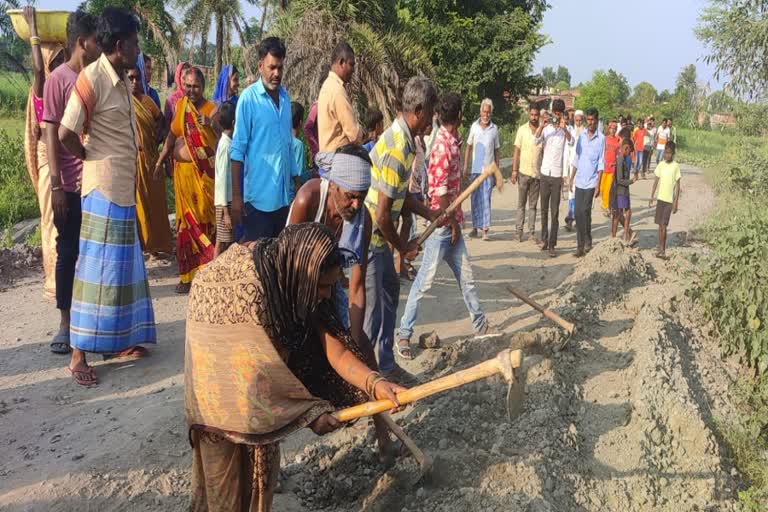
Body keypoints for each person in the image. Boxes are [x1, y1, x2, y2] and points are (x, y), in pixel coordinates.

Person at [186, 223, 406, 512]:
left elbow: (333, 346)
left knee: (261, 477)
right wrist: (309, 413)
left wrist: (374, 383)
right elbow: (257, 377)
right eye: (323, 287)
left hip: (257, 400)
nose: (327, 294)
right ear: (305, 275)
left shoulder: (294, 276)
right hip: (215, 402)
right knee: (223, 494)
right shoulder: (252, 292)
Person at [59, 7, 157, 385]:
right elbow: (66, 132)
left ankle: (120, 341)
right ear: (119, 45)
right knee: (95, 273)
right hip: (102, 190)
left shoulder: (120, 79)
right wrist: (88, 157)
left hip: (122, 190)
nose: (137, 48)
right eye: (134, 42)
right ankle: (78, 355)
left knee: (120, 271)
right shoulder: (92, 78)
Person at [288, 145, 402, 463]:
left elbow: (356, 287)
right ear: (335, 184)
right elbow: (287, 266)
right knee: (282, 368)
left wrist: (352, 335)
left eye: (362, 197)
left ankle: (384, 441)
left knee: (365, 356)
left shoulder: (362, 219)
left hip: (330, 291)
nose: (355, 205)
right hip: (294, 291)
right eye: (351, 196)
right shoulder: (308, 200)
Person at [398, 92, 496, 352]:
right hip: (441, 226)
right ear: (460, 116)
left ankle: (480, 325)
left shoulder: (452, 140)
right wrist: (451, 223)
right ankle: (404, 334)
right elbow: (440, 193)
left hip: (452, 223)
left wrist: (455, 222)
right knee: (424, 282)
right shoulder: (442, 146)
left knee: (467, 278)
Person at [364, 76, 441, 378]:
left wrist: (430, 212)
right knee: (371, 314)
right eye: (430, 112)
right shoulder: (398, 149)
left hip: (379, 237)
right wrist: (404, 247)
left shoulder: (407, 141)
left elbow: (400, 196)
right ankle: (366, 378)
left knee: (391, 291)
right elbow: (383, 215)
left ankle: (385, 365)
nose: (432, 119)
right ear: (418, 110)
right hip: (370, 238)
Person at [43, 9, 99, 355]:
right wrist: (56, 185)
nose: (99, 46)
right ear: (82, 42)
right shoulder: (58, 80)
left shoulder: (96, 77)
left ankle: (94, 323)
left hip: (97, 183)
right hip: (69, 186)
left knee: (96, 255)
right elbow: (51, 133)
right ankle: (65, 323)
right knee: (68, 252)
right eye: (95, 40)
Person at [156, 67, 219, 294]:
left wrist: (210, 123)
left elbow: (224, 137)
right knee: (186, 226)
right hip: (183, 179)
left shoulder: (212, 109)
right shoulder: (181, 106)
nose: (191, 90)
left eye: (196, 86)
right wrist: (160, 161)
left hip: (205, 181)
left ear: (203, 87)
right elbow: (172, 136)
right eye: (188, 86)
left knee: (204, 223)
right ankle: (187, 277)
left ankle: (208, 273)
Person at [231, 37, 298, 240]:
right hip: (258, 202)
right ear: (260, 66)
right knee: (258, 256)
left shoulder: (285, 98)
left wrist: (297, 185)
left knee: (282, 255)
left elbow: (288, 145)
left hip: (284, 200)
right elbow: (237, 151)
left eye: (280, 68)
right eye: (272, 67)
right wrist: (236, 197)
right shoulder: (248, 99)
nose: (276, 73)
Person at [22, 6, 66, 301]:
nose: (62, 65)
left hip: (66, 157)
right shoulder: (43, 86)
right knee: (52, 219)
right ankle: (54, 281)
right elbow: (38, 69)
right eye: (57, 60)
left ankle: (68, 277)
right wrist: (34, 31)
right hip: (48, 158)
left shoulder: (63, 86)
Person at [128, 65, 173, 256]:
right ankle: (143, 245)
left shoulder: (147, 101)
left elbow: (161, 122)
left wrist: (157, 140)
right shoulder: (122, 102)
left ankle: (159, 243)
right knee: (139, 202)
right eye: (130, 78)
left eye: (137, 78)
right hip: (132, 160)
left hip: (151, 158)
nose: (134, 82)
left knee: (156, 201)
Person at [534, 98, 572, 257]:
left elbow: (572, 142)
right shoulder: (547, 128)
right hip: (544, 173)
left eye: (559, 113)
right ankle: (544, 239)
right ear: (552, 112)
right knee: (543, 210)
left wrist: (564, 129)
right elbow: (536, 140)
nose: (556, 116)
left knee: (554, 212)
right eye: (555, 113)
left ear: (562, 114)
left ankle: (552, 244)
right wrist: (542, 126)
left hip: (557, 176)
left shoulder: (565, 129)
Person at [569, 107, 605, 258]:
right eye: (588, 120)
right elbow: (576, 158)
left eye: (593, 120)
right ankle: (583, 242)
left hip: (591, 182)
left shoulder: (601, 139)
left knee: (585, 210)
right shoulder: (581, 136)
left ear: (597, 121)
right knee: (578, 213)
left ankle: (584, 244)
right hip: (579, 180)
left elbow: (601, 162)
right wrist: (571, 178)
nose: (590, 123)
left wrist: (598, 184)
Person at [463, 98, 501, 241]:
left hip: (488, 170)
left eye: (488, 112)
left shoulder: (494, 129)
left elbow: (497, 150)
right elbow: (468, 147)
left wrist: (497, 172)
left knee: (486, 199)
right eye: (484, 112)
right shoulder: (474, 127)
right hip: (476, 168)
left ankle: (485, 230)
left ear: (491, 113)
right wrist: (465, 166)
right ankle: (475, 228)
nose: (486, 115)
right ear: (480, 112)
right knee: (475, 199)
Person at [318, 41, 364, 152]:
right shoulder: (337, 90)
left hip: (328, 155)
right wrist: (365, 134)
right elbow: (354, 134)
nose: (353, 70)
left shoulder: (328, 85)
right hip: (338, 157)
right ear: (342, 62)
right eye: (351, 64)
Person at [511, 105, 542, 242]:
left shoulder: (543, 131)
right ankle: (518, 232)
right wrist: (514, 170)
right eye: (532, 115)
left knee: (533, 206)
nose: (534, 117)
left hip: (536, 174)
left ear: (539, 116)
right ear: (529, 114)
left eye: (536, 115)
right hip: (523, 172)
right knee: (521, 204)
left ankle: (531, 233)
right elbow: (516, 151)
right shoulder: (522, 130)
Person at [649, 141, 681, 259]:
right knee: (659, 225)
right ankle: (660, 247)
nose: (667, 155)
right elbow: (656, 181)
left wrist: (676, 202)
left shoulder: (675, 166)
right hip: (660, 199)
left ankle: (662, 249)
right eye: (666, 153)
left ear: (673, 153)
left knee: (663, 224)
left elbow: (678, 186)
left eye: (669, 153)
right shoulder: (661, 165)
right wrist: (651, 196)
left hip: (668, 201)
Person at [214, 102, 236, 258]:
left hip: (227, 201)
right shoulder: (225, 146)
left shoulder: (228, 144)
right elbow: (221, 179)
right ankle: (214, 269)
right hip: (224, 203)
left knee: (224, 240)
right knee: (222, 242)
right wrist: (226, 212)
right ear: (234, 123)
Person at [610, 138, 636, 243]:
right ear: (626, 148)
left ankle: (622, 235)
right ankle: (621, 235)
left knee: (619, 214)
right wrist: (631, 181)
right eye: (629, 150)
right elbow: (620, 179)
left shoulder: (622, 159)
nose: (630, 153)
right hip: (620, 191)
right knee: (618, 214)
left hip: (621, 190)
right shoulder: (621, 159)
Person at [563, 110, 584, 231]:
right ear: (574, 120)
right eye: (576, 120)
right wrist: (564, 172)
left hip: (583, 170)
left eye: (580, 120)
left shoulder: (586, 133)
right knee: (571, 194)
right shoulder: (570, 132)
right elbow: (566, 152)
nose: (578, 122)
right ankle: (570, 220)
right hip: (572, 169)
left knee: (580, 196)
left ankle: (579, 220)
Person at [600, 119, 620, 215]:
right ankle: (604, 203)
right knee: (601, 188)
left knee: (608, 189)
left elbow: (618, 154)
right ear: (609, 129)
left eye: (615, 129)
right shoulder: (604, 139)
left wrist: (616, 163)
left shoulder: (618, 140)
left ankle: (606, 207)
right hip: (603, 168)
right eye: (611, 128)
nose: (613, 130)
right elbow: (600, 152)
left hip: (612, 169)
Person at [163, 61, 190, 128]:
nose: (186, 81)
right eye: (184, 78)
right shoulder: (171, 100)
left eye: (189, 78)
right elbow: (167, 124)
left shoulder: (195, 97)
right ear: (178, 78)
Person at [291, 102, 311, 187]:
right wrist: (311, 174)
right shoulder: (298, 145)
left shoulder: (282, 141)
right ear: (300, 122)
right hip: (292, 191)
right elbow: (299, 176)